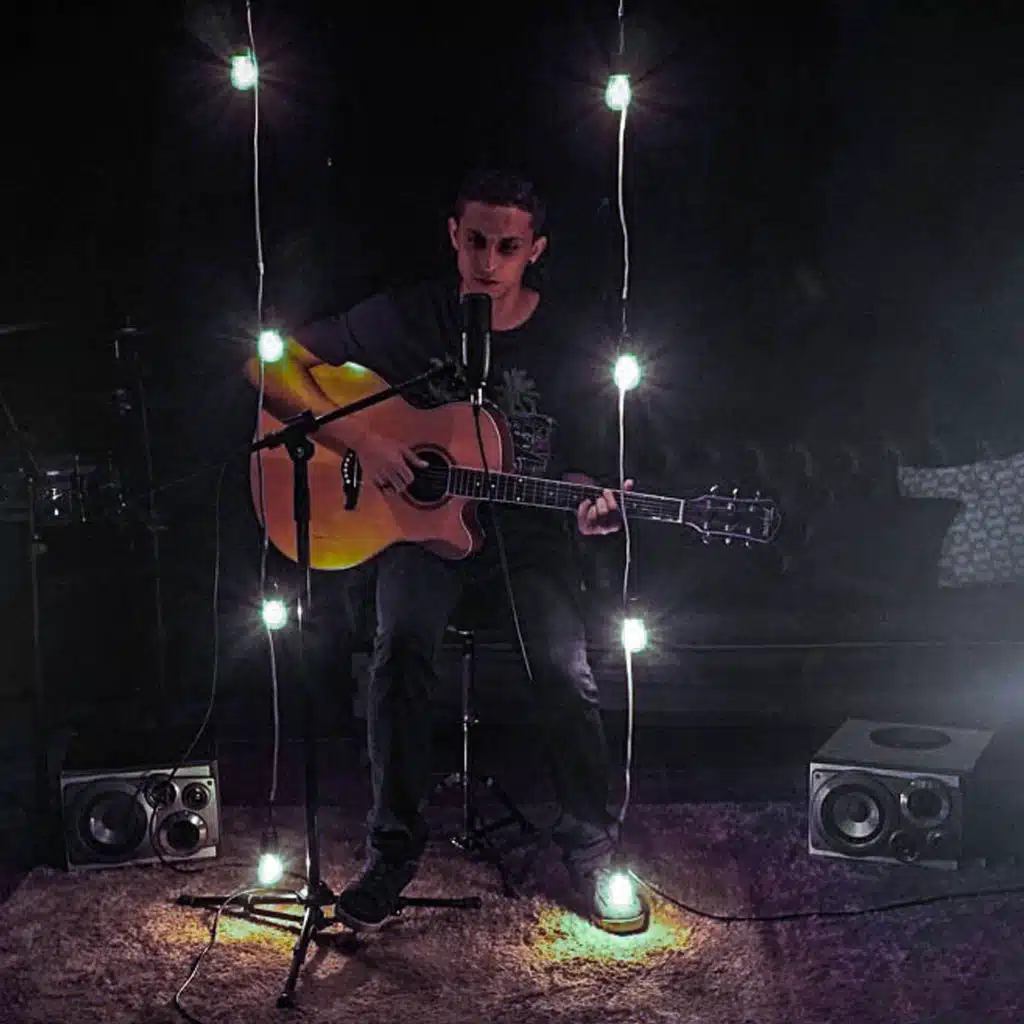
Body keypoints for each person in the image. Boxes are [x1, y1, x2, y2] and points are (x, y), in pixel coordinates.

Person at [246, 169, 635, 932]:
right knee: (398, 651)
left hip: (524, 542)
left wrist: (592, 505)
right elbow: (267, 363)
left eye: (508, 247)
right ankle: (391, 852)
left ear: (536, 250)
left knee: (566, 669)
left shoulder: (567, 340)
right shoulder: (405, 317)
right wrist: (363, 442)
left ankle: (592, 850)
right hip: (420, 534)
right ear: (454, 235)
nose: (488, 261)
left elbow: (583, 469)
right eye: (476, 241)